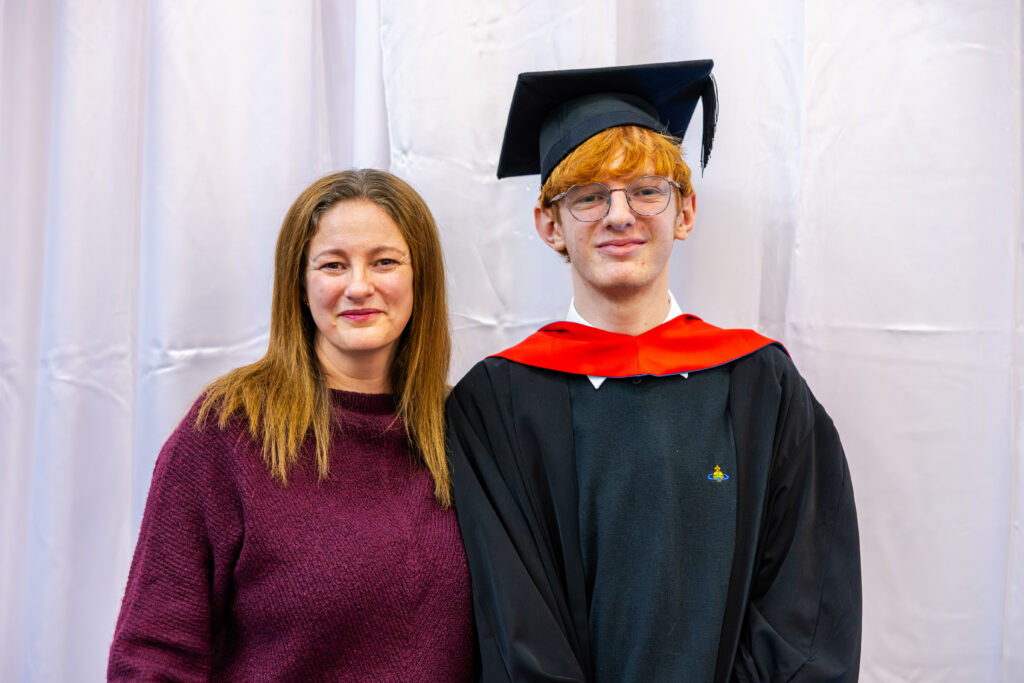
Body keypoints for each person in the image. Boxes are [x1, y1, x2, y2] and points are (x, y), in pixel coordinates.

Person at [447, 60, 861, 682]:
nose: (620, 215)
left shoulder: (762, 386)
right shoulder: (494, 404)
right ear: (549, 225)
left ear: (685, 213)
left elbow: (807, 605)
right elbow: (511, 624)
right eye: (589, 196)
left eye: (646, 191)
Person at [108, 169, 476, 681]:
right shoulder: (227, 432)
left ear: (421, 280)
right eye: (333, 264)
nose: (359, 286)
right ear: (300, 285)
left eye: (385, 262)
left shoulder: (466, 431)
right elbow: (154, 655)